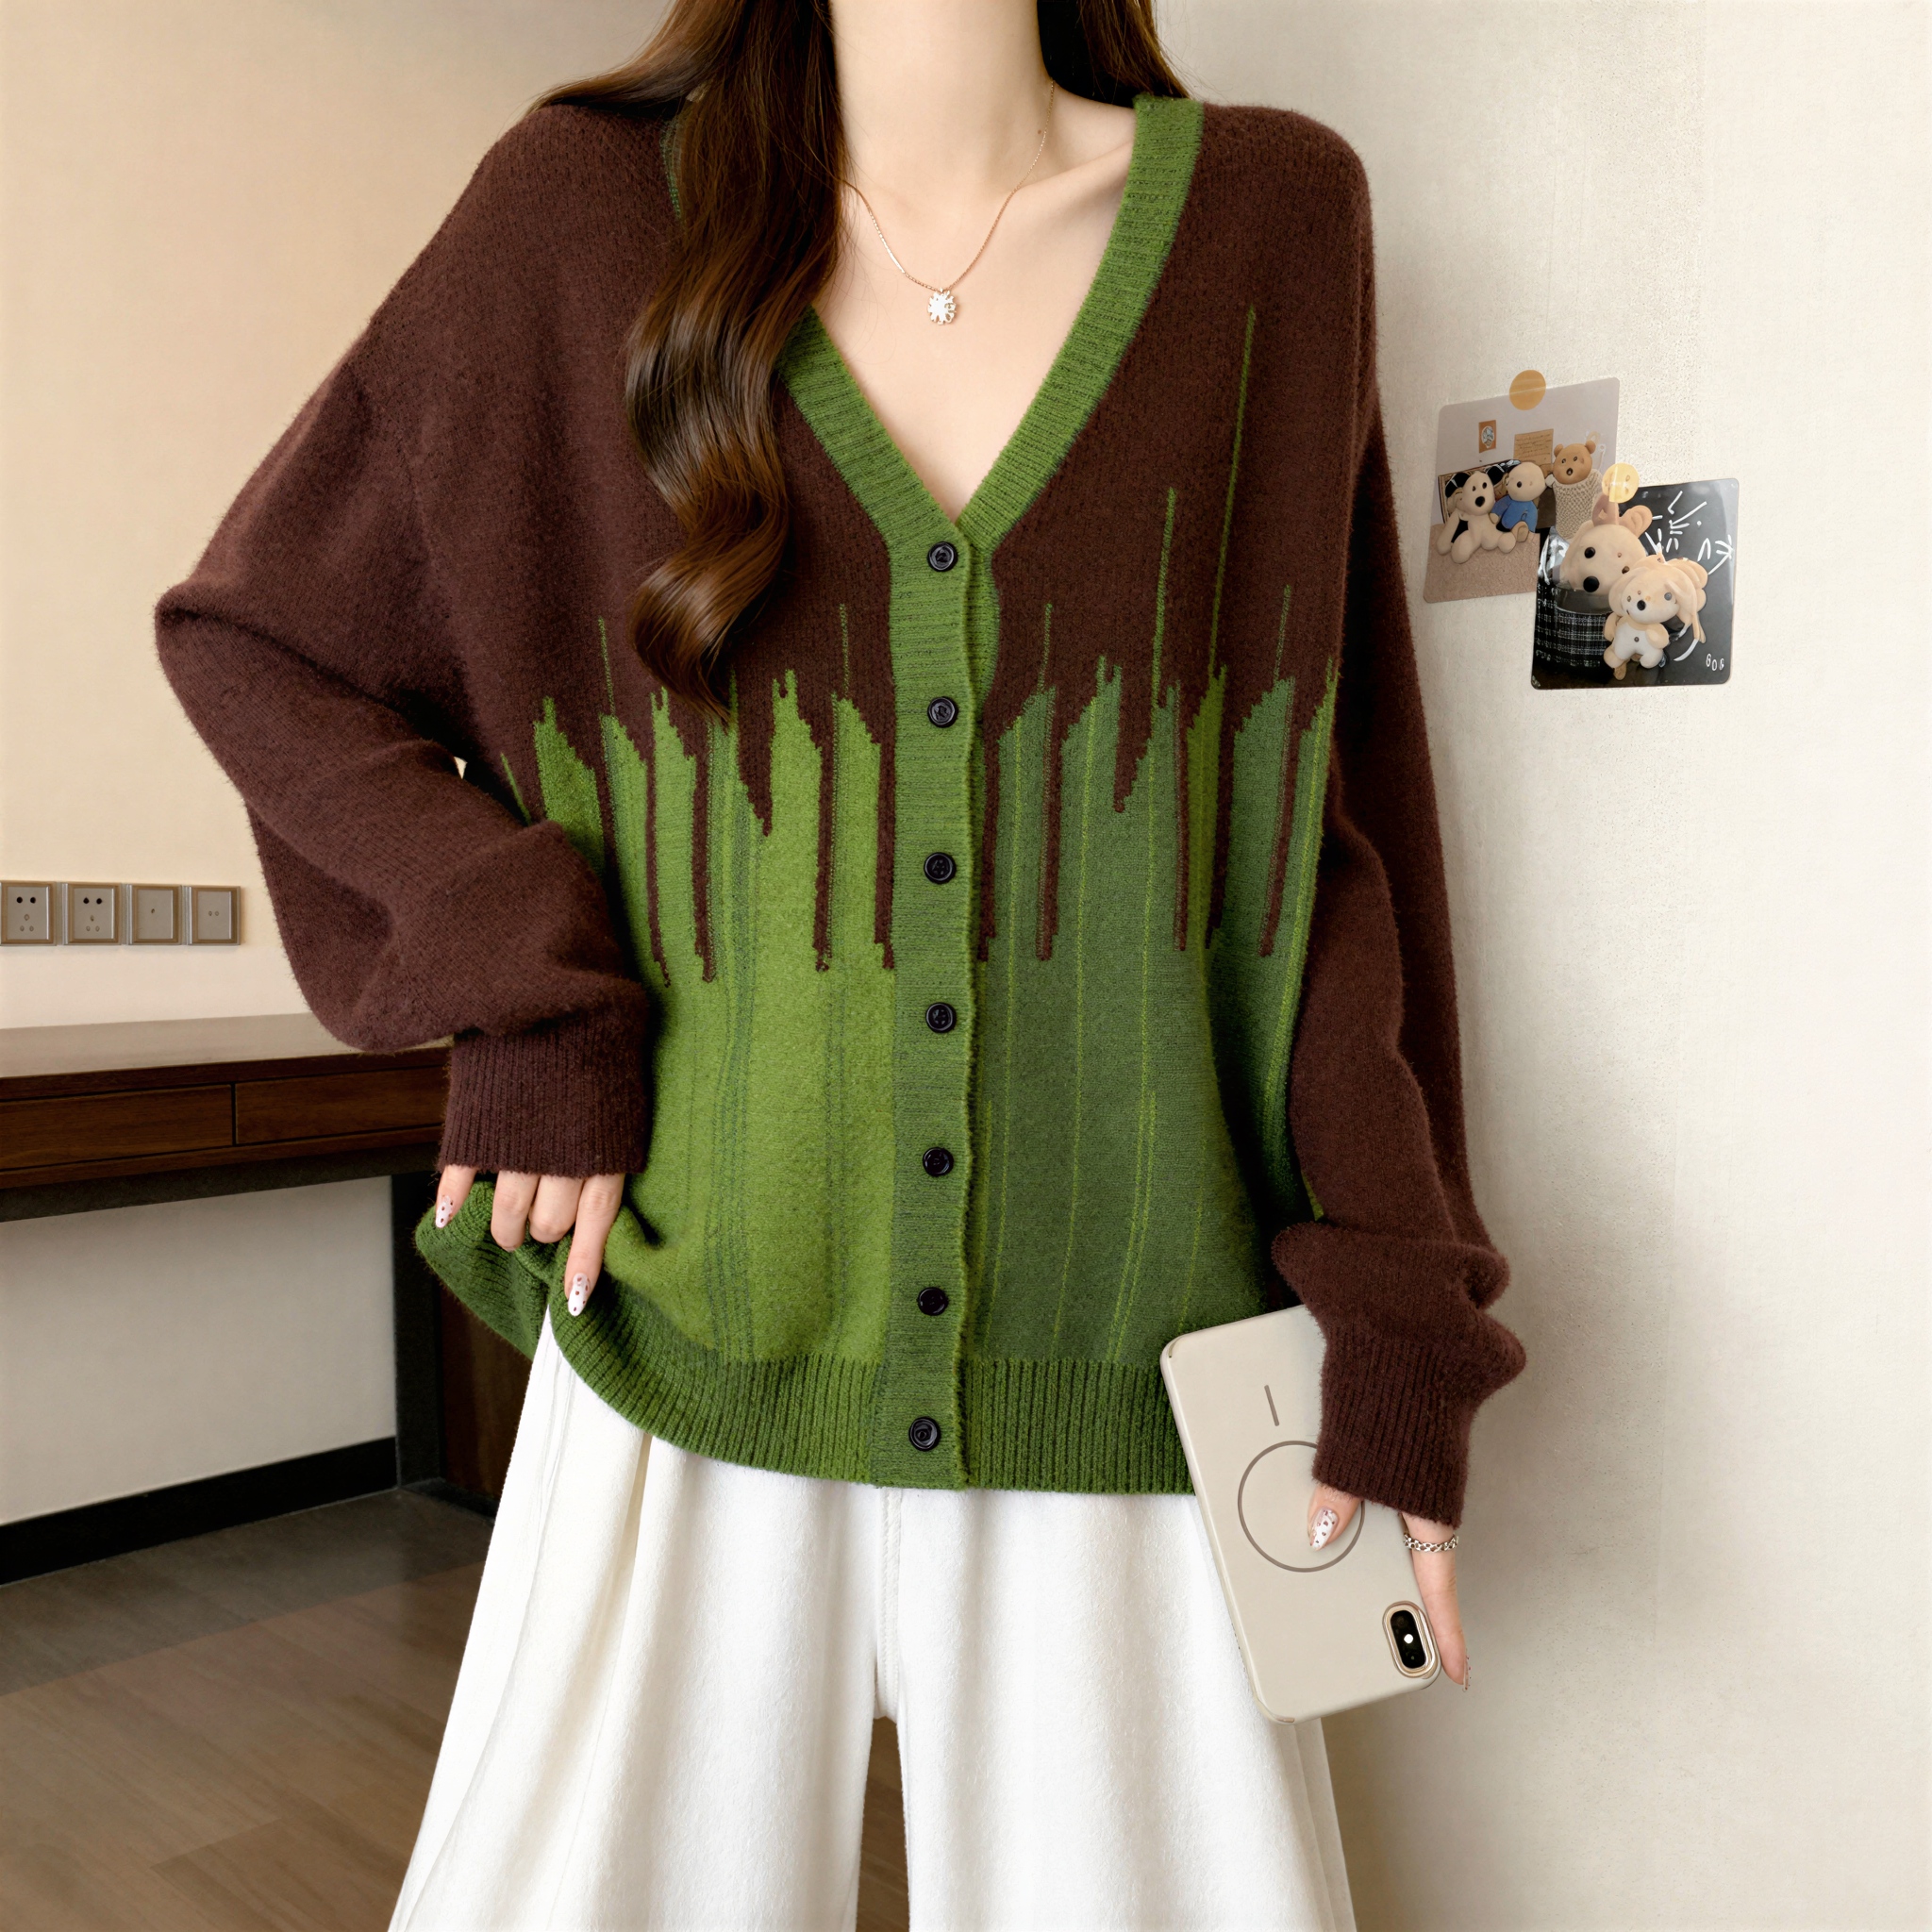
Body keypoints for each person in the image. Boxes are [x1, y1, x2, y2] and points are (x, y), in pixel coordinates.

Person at [156, 1, 1526, 1924]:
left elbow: (1326, 819)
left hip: (1128, 1352)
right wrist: (531, 991)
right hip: (680, 1336)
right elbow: (263, 641)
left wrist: (1398, 1305)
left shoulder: (1272, 224)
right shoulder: (573, 216)